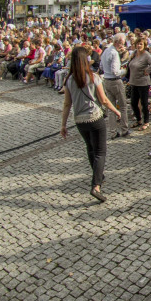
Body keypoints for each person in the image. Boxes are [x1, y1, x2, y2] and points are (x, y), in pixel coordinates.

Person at [60, 46, 121, 203]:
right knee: (100, 152)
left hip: (80, 120)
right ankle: (96, 185)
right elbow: (104, 100)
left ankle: (98, 175)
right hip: (95, 118)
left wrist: (63, 125)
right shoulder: (93, 77)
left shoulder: (69, 80)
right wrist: (116, 111)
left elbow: (67, 104)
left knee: (90, 148)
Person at [100, 34, 131, 139]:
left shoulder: (106, 51)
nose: (123, 45)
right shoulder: (114, 53)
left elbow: (101, 66)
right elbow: (115, 71)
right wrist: (124, 71)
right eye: (122, 43)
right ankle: (124, 129)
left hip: (106, 80)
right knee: (122, 106)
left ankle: (113, 131)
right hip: (115, 81)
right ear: (118, 42)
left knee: (111, 107)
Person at [127, 37, 151, 130]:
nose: (139, 45)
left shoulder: (146, 55)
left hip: (143, 82)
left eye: (141, 44)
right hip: (134, 81)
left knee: (144, 103)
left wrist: (147, 70)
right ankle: (138, 119)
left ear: (144, 45)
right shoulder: (134, 54)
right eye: (137, 44)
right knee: (133, 103)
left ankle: (146, 121)